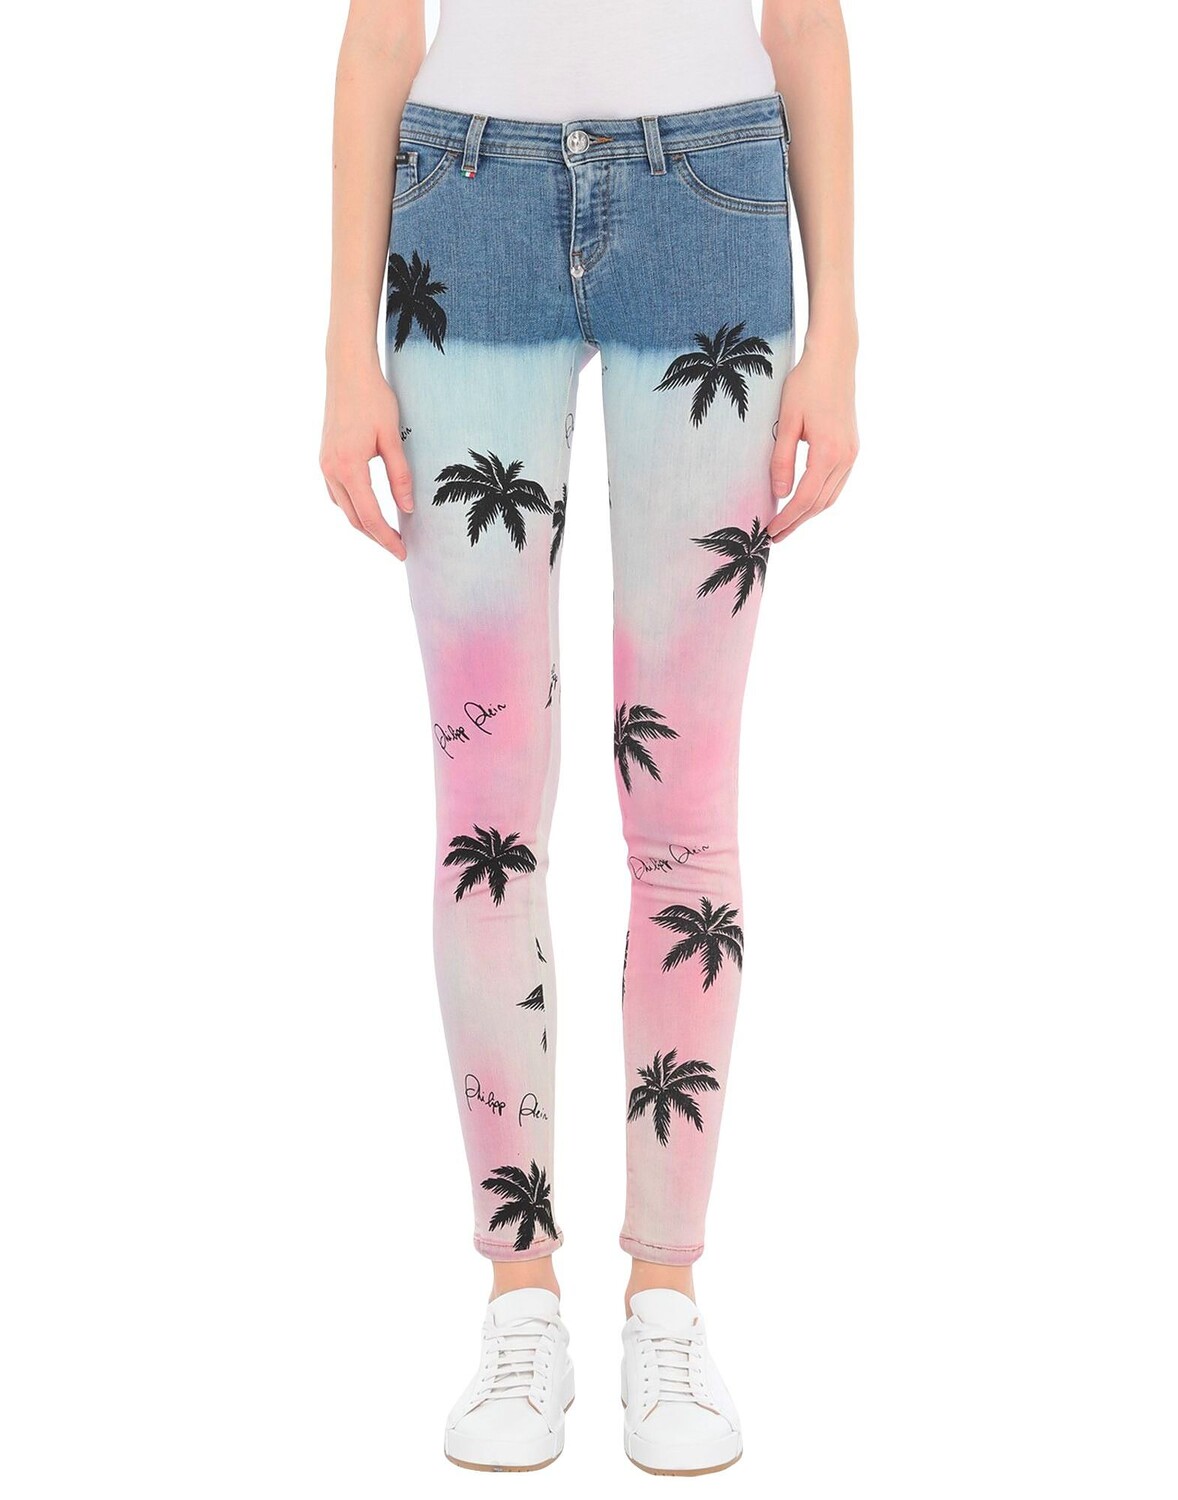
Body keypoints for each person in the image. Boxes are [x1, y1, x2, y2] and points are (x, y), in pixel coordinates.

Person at [320, 0, 858, 1474]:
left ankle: (665, 1299)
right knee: (484, 802)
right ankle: (520, 1298)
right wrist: (343, 354)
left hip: (714, 202)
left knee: (683, 805)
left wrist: (839, 340)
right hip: (464, 203)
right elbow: (380, 32)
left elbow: (806, 24)